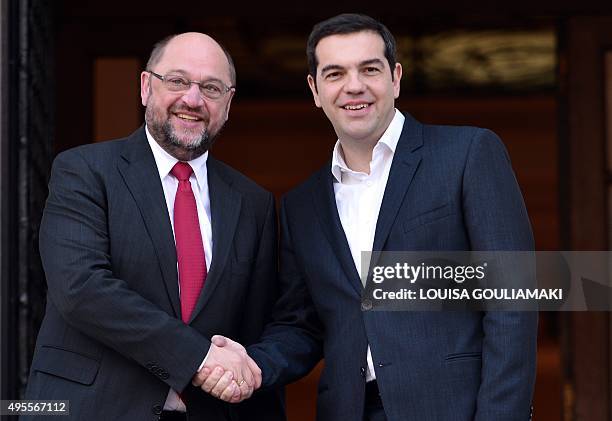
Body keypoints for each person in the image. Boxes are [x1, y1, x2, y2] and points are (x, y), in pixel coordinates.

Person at [203, 13, 537, 421]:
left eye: (369, 69)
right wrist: (252, 366)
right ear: (315, 89)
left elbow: (512, 300)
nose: (353, 86)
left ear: (395, 78)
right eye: (335, 73)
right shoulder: (301, 206)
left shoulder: (467, 154)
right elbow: (302, 325)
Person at [22, 32, 283, 421]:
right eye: (177, 81)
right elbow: (81, 288)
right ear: (146, 87)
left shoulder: (254, 203)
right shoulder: (84, 170)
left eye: (211, 87)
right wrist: (199, 358)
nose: (192, 99)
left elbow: (256, 325)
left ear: (228, 104)